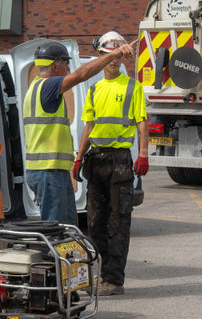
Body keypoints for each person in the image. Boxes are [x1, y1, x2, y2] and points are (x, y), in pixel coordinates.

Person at [24, 39, 132, 227]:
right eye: (65, 63)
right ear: (54, 65)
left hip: (48, 171)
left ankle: (66, 256)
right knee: (56, 228)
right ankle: (52, 257)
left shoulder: (35, 87)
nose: (67, 68)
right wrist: (113, 55)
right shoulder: (48, 87)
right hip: (48, 171)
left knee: (67, 226)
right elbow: (81, 75)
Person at [74, 31, 149, 296]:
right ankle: (101, 275)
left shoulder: (133, 87)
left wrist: (143, 153)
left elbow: (142, 123)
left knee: (118, 223)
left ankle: (114, 281)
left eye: (117, 55)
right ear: (101, 56)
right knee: (95, 223)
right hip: (96, 160)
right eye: (108, 55)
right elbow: (89, 126)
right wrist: (79, 157)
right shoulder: (94, 89)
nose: (113, 61)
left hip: (119, 161)